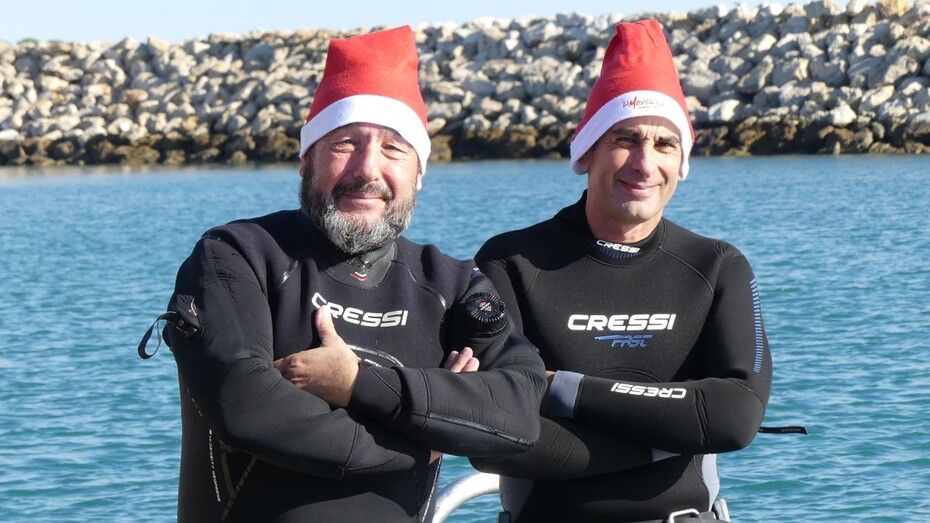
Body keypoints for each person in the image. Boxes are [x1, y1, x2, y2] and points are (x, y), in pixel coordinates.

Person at [157, 26, 546, 522]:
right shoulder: (238, 257)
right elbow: (246, 406)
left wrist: (356, 383)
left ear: (419, 172)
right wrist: (428, 433)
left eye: (393, 148)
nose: (368, 169)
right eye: (345, 142)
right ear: (306, 160)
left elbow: (518, 415)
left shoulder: (449, 285)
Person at [470, 20, 773, 522]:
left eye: (665, 144)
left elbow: (736, 416)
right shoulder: (511, 263)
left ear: (681, 163)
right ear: (587, 150)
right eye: (626, 139)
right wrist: (678, 433)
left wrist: (561, 389)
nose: (644, 163)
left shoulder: (717, 268)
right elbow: (495, 438)